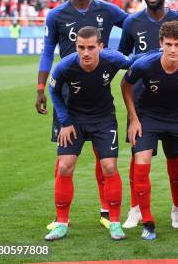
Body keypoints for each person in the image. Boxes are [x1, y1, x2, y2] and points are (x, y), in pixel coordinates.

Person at [36, 0, 127, 231]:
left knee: (105, 157)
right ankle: (61, 217)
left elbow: (133, 25)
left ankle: (107, 211)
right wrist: (41, 88)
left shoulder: (107, 10)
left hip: (98, 89)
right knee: (64, 157)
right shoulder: (56, 15)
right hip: (66, 94)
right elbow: (46, 52)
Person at [122, 21, 178, 241]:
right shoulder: (145, 64)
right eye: (169, 44)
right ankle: (148, 222)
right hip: (148, 115)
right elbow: (125, 85)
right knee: (141, 165)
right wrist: (133, 118)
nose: (173, 49)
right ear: (161, 43)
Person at [118, 0, 178, 230]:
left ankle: (177, 208)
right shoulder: (131, 22)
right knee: (138, 158)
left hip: (173, 101)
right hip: (141, 102)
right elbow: (124, 58)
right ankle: (135, 209)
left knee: (175, 158)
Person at [45, 27, 132, 241]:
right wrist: (65, 121)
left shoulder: (112, 59)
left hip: (104, 118)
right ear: (76, 47)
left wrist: (159, 55)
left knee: (109, 167)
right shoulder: (65, 66)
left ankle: (114, 222)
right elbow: (54, 91)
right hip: (74, 120)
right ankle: (61, 223)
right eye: (81, 48)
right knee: (64, 166)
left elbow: (134, 62)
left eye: (91, 47)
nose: (86, 53)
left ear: (100, 47)